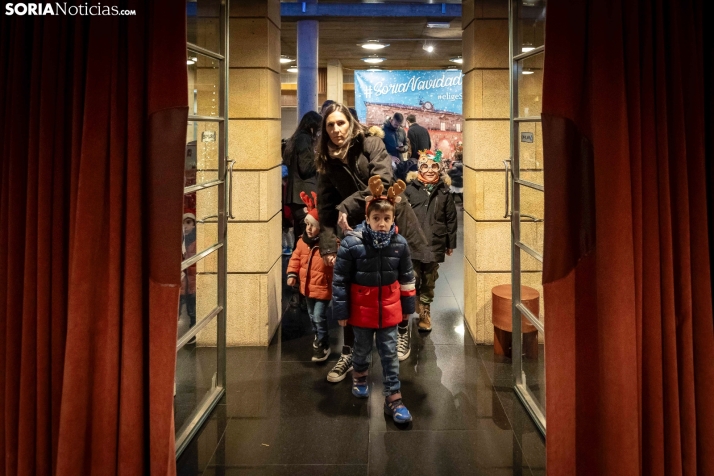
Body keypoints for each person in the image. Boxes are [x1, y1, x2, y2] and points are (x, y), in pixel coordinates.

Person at [315, 102, 431, 383]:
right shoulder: (327, 160)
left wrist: (347, 205)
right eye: (330, 125)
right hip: (356, 228)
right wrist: (328, 245)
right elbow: (326, 205)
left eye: (340, 123)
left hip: (391, 218)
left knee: (403, 278)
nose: (336, 129)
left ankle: (402, 330)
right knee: (356, 289)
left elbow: (382, 180)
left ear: (350, 124)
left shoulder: (371, 143)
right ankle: (350, 353)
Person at [332, 176, 416, 423]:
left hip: (390, 309)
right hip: (361, 310)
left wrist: (408, 308)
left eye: (387, 219)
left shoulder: (400, 244)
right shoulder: (351, 244)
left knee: (389, 354)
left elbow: (407, 277)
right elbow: (340, 280)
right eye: (376, 218)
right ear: (367, 218)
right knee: (361, 348)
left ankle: (394, 397)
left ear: (393, 220)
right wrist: (342, 311)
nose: (382, 224)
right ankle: (359, 375)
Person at [404, 150, 458, 332]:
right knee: (413, 276)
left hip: (435, 242)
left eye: (433, 166)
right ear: (419, 168)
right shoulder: (410, 190)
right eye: (425, 166)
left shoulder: (444, 192)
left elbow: (451, 219)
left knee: (429, 279)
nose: (429, 170)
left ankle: (425, 311)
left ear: (440, 169)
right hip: (413, 243)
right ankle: (416, 298)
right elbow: (402, 216)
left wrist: (451, 243)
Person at [286, 191, 334, 362]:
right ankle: (318, 336)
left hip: (323, 287)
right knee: (312, 316)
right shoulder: (302, 242)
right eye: (307, 225)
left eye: (312, 225)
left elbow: (336, 260)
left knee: (319, 315)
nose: (309, 229)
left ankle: (323, 341)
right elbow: (295, 258)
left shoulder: (328, 244)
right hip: (306, 287)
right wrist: (292, 273)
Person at [282, 111, 322, 245]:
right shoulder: (304, 139)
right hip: (303, 196)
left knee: (300, 237)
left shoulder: (296, 139)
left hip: (296, 196)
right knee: (307, 238)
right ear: (312, 127)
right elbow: (306, 168)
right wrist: (320, 160)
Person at [181, 213, 197, 342]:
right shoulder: (181, 241)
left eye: (188, 223)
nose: (185, 227)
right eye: (183, 223)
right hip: (183, 282)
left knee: (192, 309)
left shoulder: (196, 241)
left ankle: (193, 332)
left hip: (192, 282)